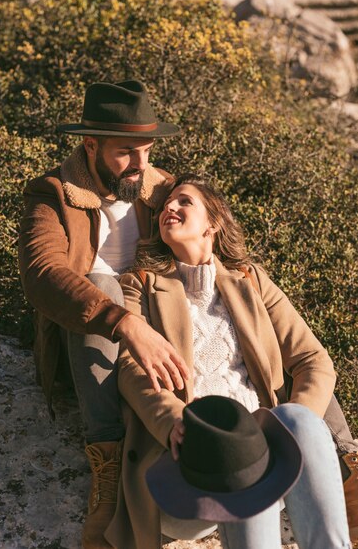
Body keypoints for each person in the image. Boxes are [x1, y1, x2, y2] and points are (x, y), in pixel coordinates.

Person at [103, 173, 356, 549]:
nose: (169, 208)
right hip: (194, 462)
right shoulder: (140, 286)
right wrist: (173, 420)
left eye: (185, 201)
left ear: (213, 223)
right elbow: (132, 370)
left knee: (292, 419)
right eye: (166, 205)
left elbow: (314, 360)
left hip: (267, 450)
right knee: (239, 449)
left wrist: (287, 434)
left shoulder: (250, 281)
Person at [18, 80, 190, 549]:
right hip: (98, 332)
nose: (140, 165)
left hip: (160, 318)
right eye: (125, 153)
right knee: (100, 284)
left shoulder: (162, 189)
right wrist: (123, 321)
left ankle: (344, 460)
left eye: (147, 151)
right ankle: (107, 461)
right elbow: (42, 272)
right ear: (90, 144)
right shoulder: (53, 193)